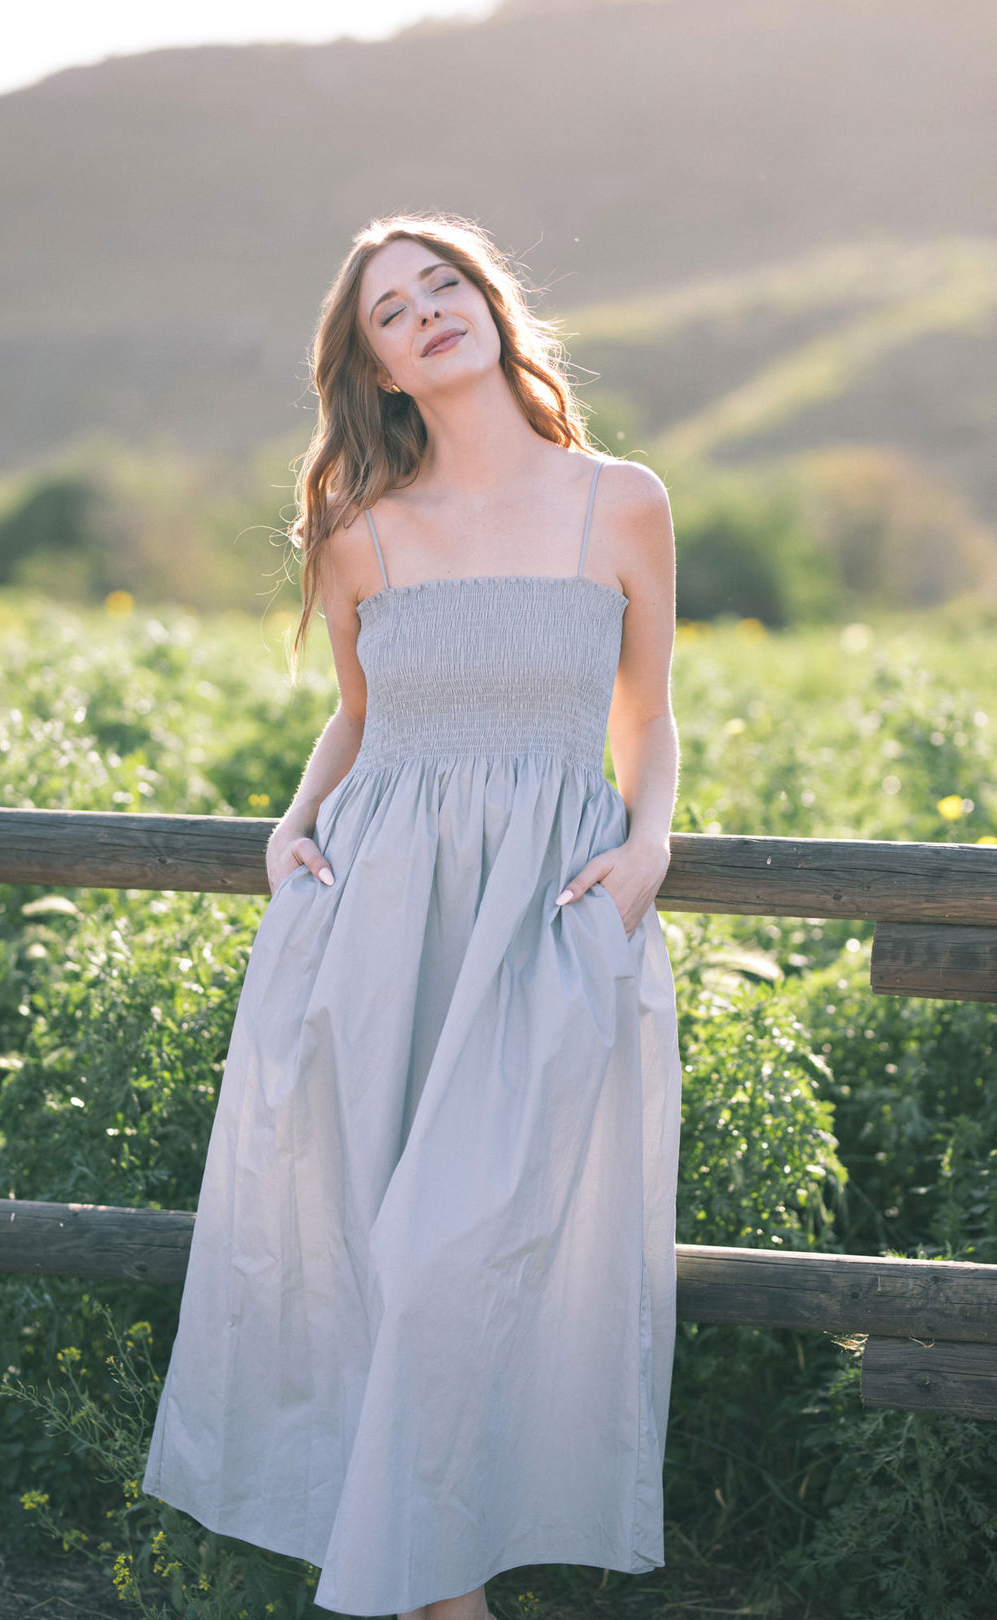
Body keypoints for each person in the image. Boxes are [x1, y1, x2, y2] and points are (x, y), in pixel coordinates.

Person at [142, 210, 683, 1620]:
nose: (428, 310)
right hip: (377, 909)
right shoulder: (359, 533)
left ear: (494, 310)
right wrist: (290, 823)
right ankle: (441, 1597)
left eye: (446, 285)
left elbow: (648, 716)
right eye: (393, 309)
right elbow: (358, 716)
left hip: (547, 916)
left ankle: (423, 1584)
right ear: (376, 367)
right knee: (363, 1252)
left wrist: (649, 845)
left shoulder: (620, 500)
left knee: (462, 1249)